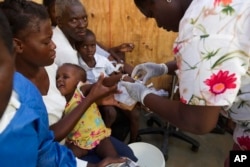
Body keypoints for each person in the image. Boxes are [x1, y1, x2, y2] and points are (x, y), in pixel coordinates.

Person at [0, 0, 137, 164]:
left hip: (74, 136)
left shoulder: (49, 68)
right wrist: (90, 99)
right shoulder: (15, 96)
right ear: (18, 45)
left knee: (128, 155)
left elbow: (71, 93)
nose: (54, 46)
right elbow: (44, 143)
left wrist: (99, 89)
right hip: (62, 151)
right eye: (46, 42)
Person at [120, 0, 250, 166]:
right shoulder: (213, 7)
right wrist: (163, 68)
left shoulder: (199, 30)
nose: (158, 24)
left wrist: (143, 95)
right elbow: (221, 59)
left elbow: (197, 122)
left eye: (153, 14)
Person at [75, 29, 139, 143]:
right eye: (85, 47)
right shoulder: (79, 67)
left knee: (135, 115)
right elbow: (85, 90)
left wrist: (121, 78)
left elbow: (113, 73)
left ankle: (134, 142)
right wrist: (120, 78)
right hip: (96, 98)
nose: (89, 50)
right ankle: (104, 139)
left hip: (112, 92)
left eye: (92, 46)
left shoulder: (102, 60)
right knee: (111, 113)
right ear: (78, 48)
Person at [56, 63, 119, 159]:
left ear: (78, 82)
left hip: (99, 137)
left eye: (65, 77)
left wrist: (121, 78)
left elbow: (103, 84)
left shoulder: (81, 90)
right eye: (57, 77)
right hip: (77, 142)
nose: (59, 79)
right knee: (67, 159)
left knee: (113, 158)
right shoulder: (59, 101)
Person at [53, 0, 134, 69]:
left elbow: (105, 55)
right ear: (59, 21)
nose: (82, 25)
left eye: (84, 18)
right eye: (74, 20)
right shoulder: (65, 52)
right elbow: (77, 86)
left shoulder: (73, 37)